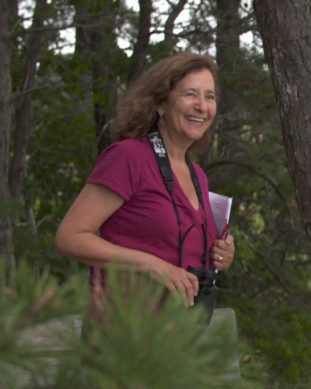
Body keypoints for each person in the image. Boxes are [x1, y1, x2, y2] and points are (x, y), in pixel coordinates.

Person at [55, 52, 234, 320]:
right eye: (190, 94)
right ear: (161, 103)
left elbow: (179, 247)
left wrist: (221, 254)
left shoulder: (197, 174)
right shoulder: (129, 157)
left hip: (180, 340)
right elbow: (70, 238)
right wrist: (151, 265)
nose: (202, 106)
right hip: (124, 336)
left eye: (209, 97)